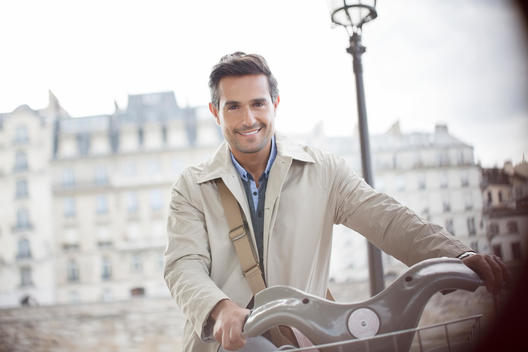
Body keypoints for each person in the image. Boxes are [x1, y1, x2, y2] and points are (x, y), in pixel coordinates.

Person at [164, 52, 510, 352]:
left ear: (276, 104)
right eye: (233, 107)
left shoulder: (322, 170)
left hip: (303, 340)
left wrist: (454, 254)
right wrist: (220, 307)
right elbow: (183, 265)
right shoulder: (192, 186)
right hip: (227, 345)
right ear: (215, 111)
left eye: (258, 103)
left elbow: (385, 218)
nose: (248, 119)